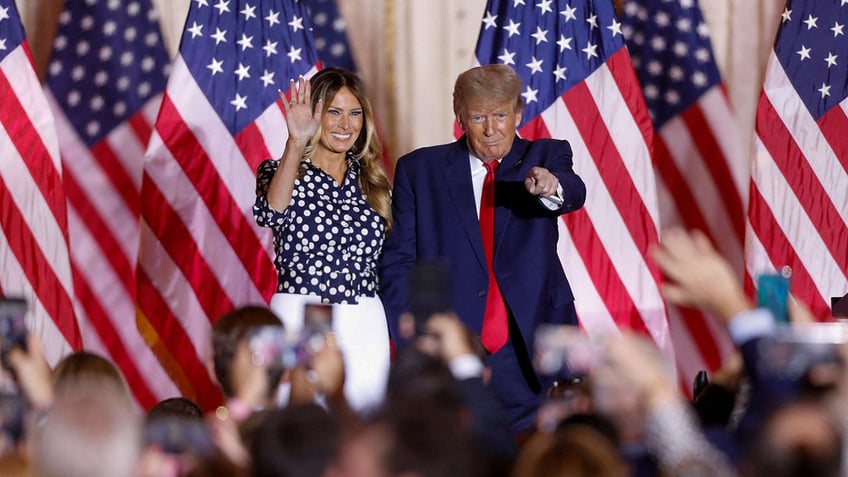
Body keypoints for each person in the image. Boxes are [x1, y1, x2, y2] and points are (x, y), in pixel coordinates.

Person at [378, 64, 586, 434]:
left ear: (518, 112)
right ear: (459, 117)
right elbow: (399, 262)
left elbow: (572, 190)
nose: (491, 129)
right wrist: (412, 334)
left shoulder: (545, 156)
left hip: (528, 347)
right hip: (451, 349)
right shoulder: (420, 170)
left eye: (501, 115)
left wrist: (551, 187)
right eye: (478, 116)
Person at [254, 67, 392, 414]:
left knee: (363, 421)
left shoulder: (375, 183)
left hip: (365, 316)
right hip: (299, 312)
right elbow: (270, 214)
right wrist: (295, 141)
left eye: (354, 113)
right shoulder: (279, 169)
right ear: (315, 113)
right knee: (294, 419)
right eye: (333, 111)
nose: (345, 124)